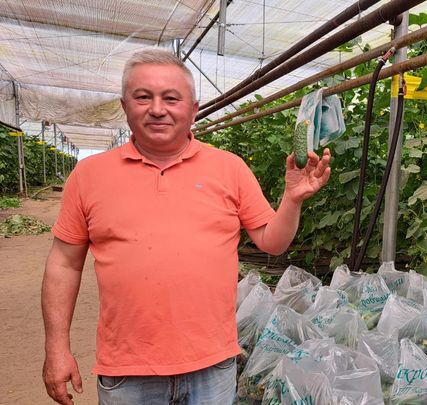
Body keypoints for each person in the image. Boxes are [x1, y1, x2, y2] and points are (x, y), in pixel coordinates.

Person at [41, 49, 331, 405]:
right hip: (128, 370)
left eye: (171, 98)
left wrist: (292, 199)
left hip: (212, 365)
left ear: (193, 109)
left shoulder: (230, 168)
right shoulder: (89, 175)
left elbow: (272, 243)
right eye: (143, 97)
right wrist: (57, 348)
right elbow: (64, 263)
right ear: (125, 105)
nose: (158, 109)